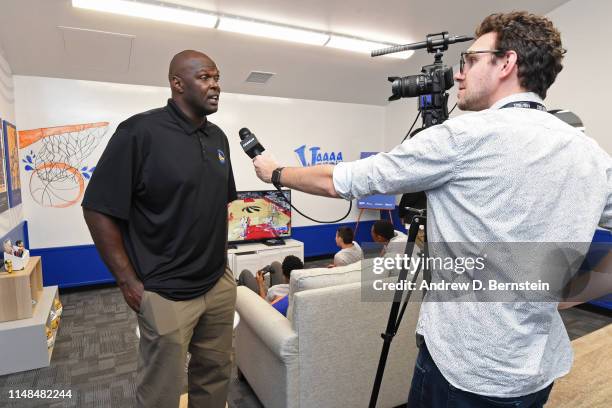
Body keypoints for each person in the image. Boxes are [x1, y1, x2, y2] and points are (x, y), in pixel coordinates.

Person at [251, 12, 612, 407]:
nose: (459, 75)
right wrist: (571, 294)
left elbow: (343, 180)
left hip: (462, 373)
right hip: (536, 372)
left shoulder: (463, 137)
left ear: (506, 63)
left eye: (471, 60)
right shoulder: (591, 154)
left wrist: (277, 173)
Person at [82, 50, 237, 408]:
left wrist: (221, 265)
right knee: (161, 393)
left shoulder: (219, 139)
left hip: (217, 283)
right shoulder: (139, 132)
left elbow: (219, 204)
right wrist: (127, 281)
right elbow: (97, 208)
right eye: (205, 77)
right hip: (165, 292)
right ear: (177, 84)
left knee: (215, 376)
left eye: (217, 77)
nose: (215, 85)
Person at [237, 255, 304, 316]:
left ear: (285, 276)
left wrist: (260, 284)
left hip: (265, 300)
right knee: (276, 264)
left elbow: (265, 308)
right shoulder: (304, 288)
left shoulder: (278, 294)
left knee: (245, 273)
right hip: (279, 292)